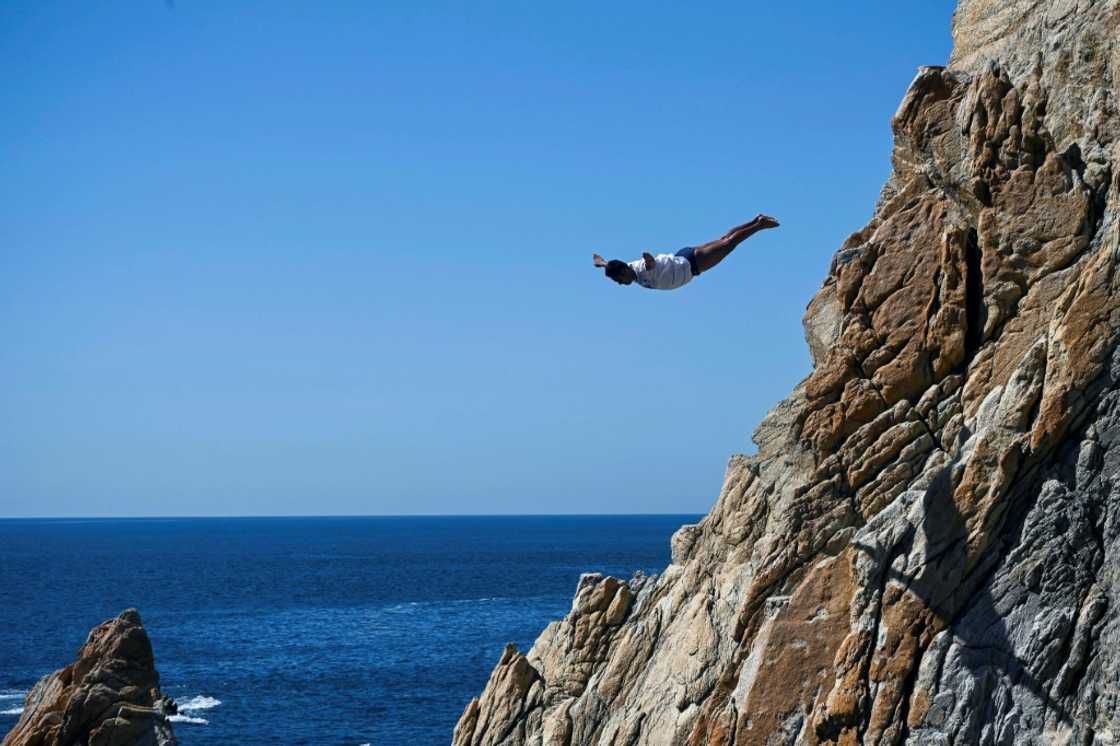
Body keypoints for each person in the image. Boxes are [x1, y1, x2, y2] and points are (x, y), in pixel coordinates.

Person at [593, 214, 779, 290]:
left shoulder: (641, 269)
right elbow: (609, 264)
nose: (620, 284)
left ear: (624, 271)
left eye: (619, 280)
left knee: (729, 244)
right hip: (683, 258)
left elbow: (650, 264)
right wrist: (601, 262)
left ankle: (759, 225)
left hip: (692, 264)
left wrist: (648, 258)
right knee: (724, 240)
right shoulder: (630, 270)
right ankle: (756, 220)